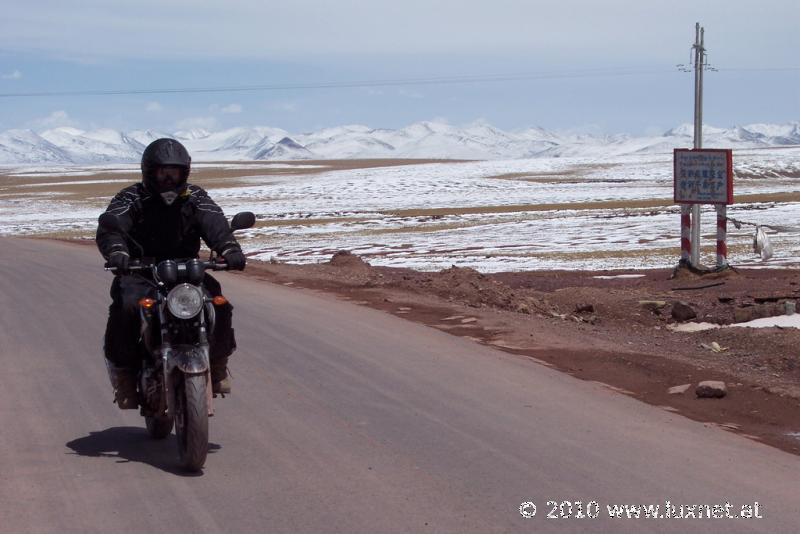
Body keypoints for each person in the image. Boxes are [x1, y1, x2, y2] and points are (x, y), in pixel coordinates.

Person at [96, 138, 246, 409]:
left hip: (187, 270)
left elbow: (215, 223)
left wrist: (229, 248)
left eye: (174, 173)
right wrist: (117, 252)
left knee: (218, 303)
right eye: (162, 173)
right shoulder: (132, 197)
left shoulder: (195, 196)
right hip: (141, 270)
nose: (168, 179)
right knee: (127, 306)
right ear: (149, 171)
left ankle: (218, 363)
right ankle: (125, 375)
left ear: (184, 173)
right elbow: (112, 226)